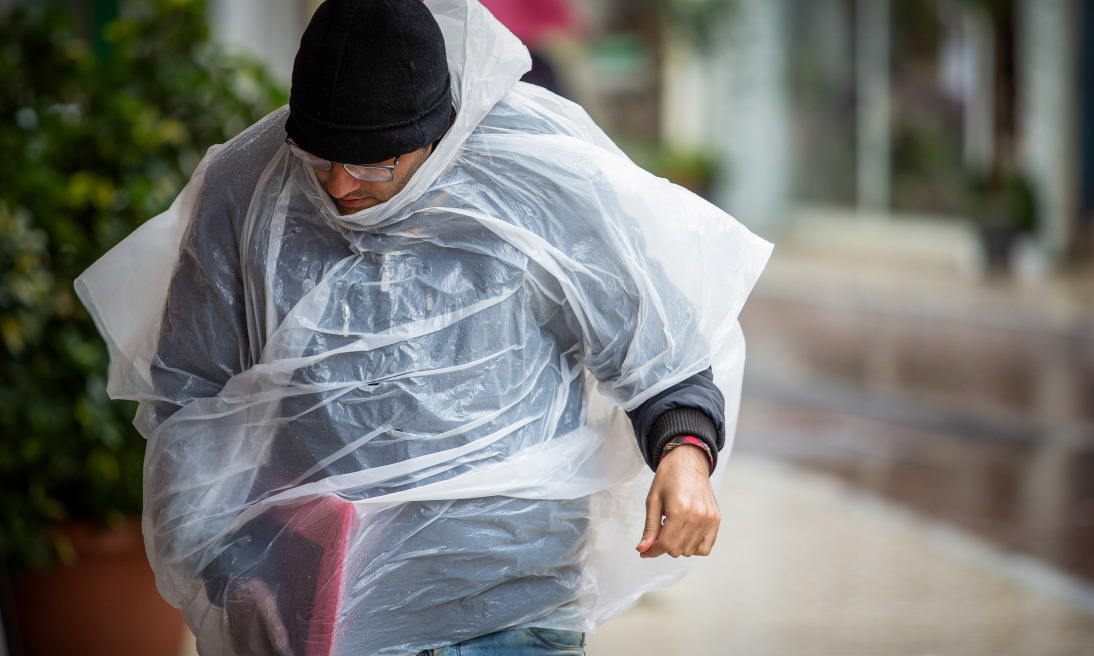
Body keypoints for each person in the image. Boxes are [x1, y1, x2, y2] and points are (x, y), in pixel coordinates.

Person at [76, 0, 770, 654]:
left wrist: (684, 453)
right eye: (319, 160)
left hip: (515, 612)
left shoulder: (534, 181)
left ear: (439, 135)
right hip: (320, 617)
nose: (341, 187)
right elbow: (190, 401)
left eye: (376, 165)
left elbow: (660, 352)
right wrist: (236, 570)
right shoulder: (249, 189)